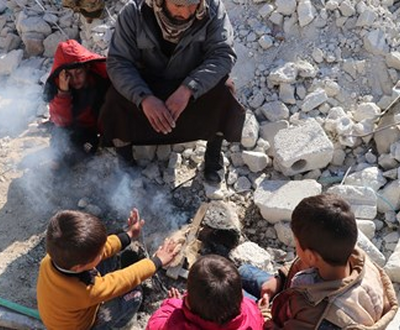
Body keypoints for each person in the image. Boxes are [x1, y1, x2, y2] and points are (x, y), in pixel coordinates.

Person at [99, 0, 245, 184]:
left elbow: (223, 54)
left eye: (192, 6)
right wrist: (144, 98)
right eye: (178, 5)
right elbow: (118, 62)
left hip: (190, 85)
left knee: (225, 90)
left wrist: (188, 88)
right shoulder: (134, 12)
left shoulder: (213, 9)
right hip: (147, 85)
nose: (185, 14)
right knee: (114, 97)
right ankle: (126, 160)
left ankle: (213, 155)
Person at [239, 194, 398, 329]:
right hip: (295, 295)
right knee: (242, 272)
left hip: (291, 315)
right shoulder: (354, 257)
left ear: (311, 256)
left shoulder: (319, 317)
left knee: (236, 299)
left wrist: (264, 314)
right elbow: (302, 263)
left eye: (297, 244)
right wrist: (279, 278)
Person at [37, 208, 179, 330]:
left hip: (65, 308)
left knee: (109, 257)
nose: (103, 250)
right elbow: (123, 280)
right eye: (99, 253)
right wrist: (157, 261)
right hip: (82, 326)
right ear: (79, 267)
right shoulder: (86, 292)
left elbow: (101, 249)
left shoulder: (51, 259)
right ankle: (119, 325)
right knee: (135, 295)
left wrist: (128, 236)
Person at [146, 254, 264, 329]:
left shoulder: (178, 324)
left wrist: (172, 304)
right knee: (245, 270)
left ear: (188, 303)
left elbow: (154, 325)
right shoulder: (251, 310)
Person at [43, 39, 110, 171]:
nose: (75, 79)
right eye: (69, 75)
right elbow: (61, 122)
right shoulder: (58, 87)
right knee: (62, 152)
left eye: (78, 72)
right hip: (72, 129)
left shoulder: (100, 80)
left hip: (95, 129)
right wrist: (63, 92)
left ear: (87, 67)